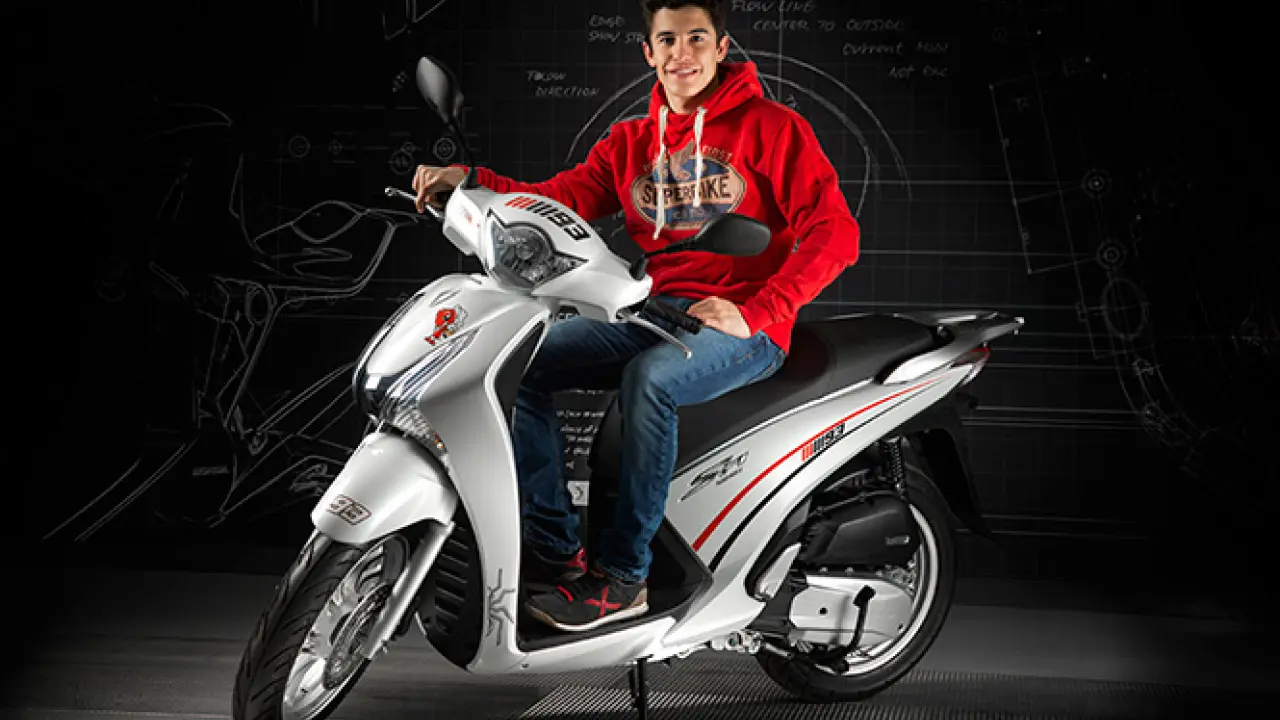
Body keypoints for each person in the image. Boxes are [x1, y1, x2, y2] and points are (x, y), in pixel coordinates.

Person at [411, 0, 861, 633]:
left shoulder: (774, 128)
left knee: (650, 380)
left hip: (742, 324)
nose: (683, 53)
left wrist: (760, 309)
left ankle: (624, 581)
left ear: (721, 48)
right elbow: (560, 198)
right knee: (513, 366)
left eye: (697, 38)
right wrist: (473, 180)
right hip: (650, 309)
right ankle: (555, 552)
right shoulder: (629, 141)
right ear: (649, 53)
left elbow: (836, 232)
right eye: (668, 40)